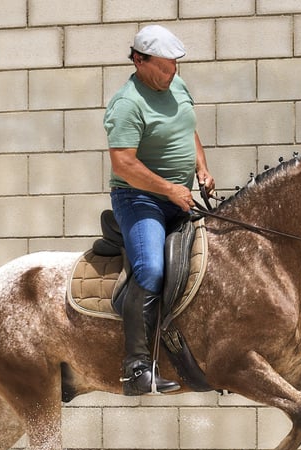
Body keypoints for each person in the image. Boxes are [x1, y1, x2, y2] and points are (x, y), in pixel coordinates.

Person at [103, 24, 215, 396]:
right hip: (139, 199)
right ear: (138, 60)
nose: (172, 74)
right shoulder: (127, 103)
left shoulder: (177, 87)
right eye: (164, 68)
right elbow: (123, 163)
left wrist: (201, 167)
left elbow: (188, 130)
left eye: (175, 67)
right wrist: (169, 189)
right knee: (151, 267)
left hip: (178, 196)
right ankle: (136, 369)